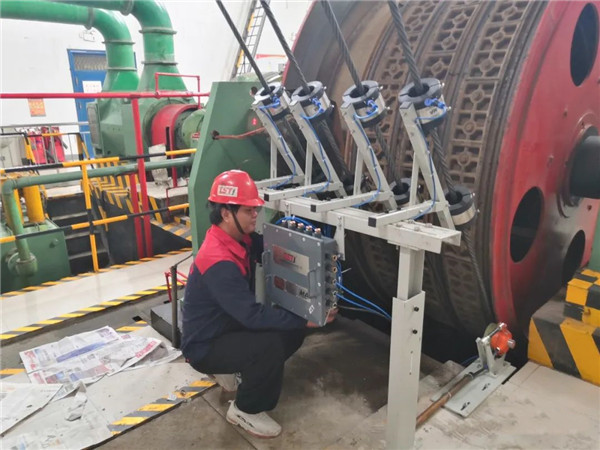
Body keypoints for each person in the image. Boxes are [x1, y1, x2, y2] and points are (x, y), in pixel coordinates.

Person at [182, 169, 322, 439]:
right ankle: (245, 409)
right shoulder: (218, 260)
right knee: (270, 345)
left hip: (225, 326)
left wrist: (309, 248)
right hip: (204, 345)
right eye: (249, 210)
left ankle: (244, 373)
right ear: (226, 213)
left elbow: (268, 246)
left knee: (291, 331)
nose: (256, 215)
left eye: (256, 209)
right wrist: (304, 318)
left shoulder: (235, 238)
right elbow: (252, 317)